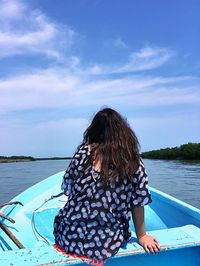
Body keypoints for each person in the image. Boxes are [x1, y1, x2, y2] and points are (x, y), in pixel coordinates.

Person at [53, 107, 160, 265]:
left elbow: (69, 190)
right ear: (123, 131)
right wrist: (142, 236)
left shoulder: (82, 153)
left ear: (94, 130)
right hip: (105, 243)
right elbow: (138, 202)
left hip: (69, 237)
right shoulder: (132, 160)